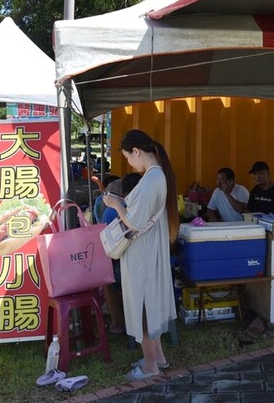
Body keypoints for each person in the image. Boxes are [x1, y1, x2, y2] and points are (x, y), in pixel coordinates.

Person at [102, 129, 179, 380]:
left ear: (136, 151)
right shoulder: (156, 176)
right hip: (149, 250)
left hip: (142, 253)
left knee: (143, 307)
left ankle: (150, 365)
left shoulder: (150, 179)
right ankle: (157, 357)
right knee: (150, 305)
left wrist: (116, 204)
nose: (129, 163)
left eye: (128, 157)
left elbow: (133, 221)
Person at [101, 172, 142, 335]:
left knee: (108, 280)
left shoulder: (113, 211)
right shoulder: (155, 207)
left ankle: (117, 322)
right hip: (158, 267)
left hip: (132, 268)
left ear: (124, 194)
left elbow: (112, 248)